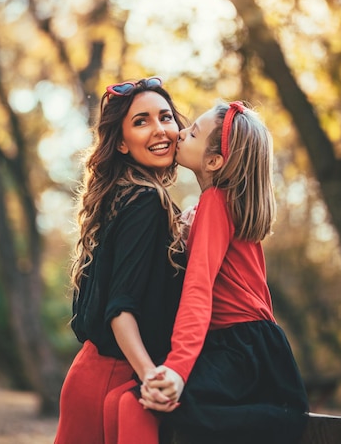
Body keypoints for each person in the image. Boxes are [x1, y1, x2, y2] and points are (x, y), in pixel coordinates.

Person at [131, 100, 309, 444]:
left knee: (160, 395)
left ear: (213, 161)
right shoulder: (214, 206)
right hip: (256, 347)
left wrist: (179, 369)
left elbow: (198, 290)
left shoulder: (216, 201)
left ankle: (281, 420)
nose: (180, 133)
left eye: (193, 133)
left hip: (240, 347)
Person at [54, 76, 187, 444]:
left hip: (92, 373)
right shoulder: (145, 201)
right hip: (114, 377)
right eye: (141, 121)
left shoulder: (124, 196)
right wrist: (151, 378)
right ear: (122, 143)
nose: (159, 130)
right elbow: (120, 306)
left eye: (165, 117)